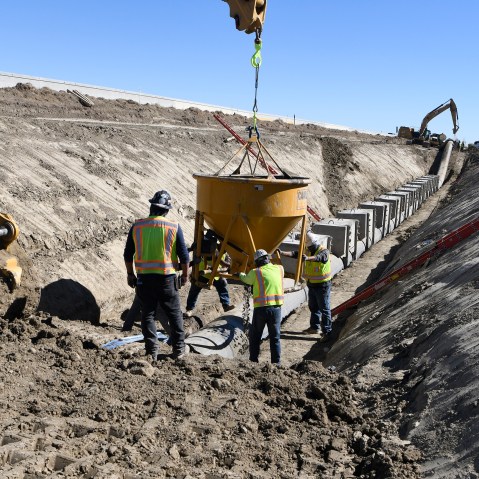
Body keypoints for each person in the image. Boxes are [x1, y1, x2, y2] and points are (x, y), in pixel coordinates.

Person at [123, 190, 190, 361]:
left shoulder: (138, 226)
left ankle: (152, 350)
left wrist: (130, 274)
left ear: (151, 206)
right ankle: (179, 349)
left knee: (148, 314)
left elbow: (127, 253)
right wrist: (185, 276)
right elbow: (184, 256)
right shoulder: (173, 227)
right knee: (174, 314)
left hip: (144, 279)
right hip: (167, 279)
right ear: (167, 210)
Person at [279, 232, 332, 342]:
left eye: (311, 246)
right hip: (311, 284)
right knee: (313, 307)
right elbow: (296, 254)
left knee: (324, 309)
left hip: (322, 285)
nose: (309, 248)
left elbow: (320, 258)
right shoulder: (307, 250)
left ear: (316, 244)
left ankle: (327, 332)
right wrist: (282, 253)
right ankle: (314, 328)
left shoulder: (324, 251)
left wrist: (308, 258)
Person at [237, 249, 284, 364]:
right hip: (276, 309)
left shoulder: (256, 272)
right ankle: (276, 363)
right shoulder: (280, 269)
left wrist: (239, 273)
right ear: (268, 259)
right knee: (275, 337)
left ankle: (253, 361)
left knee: (255, 336)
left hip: (261, 310)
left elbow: (245, 279)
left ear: (257, 262)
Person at [185, 232, 235, 317]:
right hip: (203, 273)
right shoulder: (214, 249)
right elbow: (222, 262)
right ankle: (189, 309)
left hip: (215, 274)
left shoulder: (224, 252)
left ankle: (225, 305)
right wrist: (231, 266)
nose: (226, 250)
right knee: (194, 289)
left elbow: (225, 263)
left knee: (223, 285)